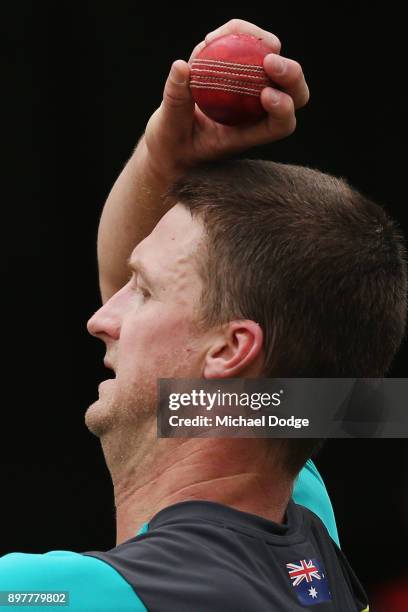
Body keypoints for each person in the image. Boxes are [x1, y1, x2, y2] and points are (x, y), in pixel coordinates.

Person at [1, 18, 406, 611]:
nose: (100, 319)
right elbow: (329, 400)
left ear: (230, 350)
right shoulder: (307, 535)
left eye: (142, 290)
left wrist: (160, 152)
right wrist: (164, 157)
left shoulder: (90, 595)